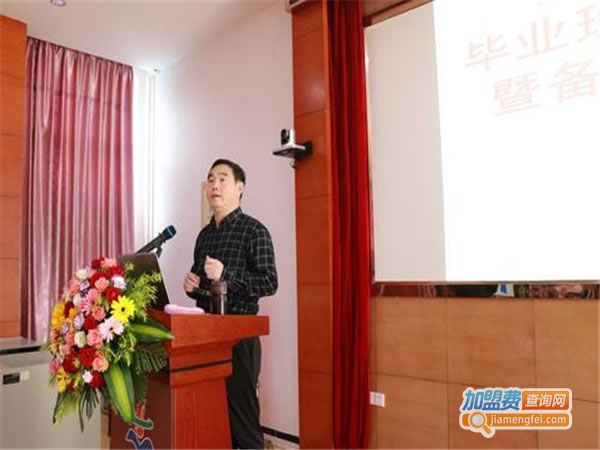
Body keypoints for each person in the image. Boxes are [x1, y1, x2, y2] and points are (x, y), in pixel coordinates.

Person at [183, 158, 278, 449]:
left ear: (240, 188)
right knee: (211, 415)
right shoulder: (204, 235)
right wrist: (193, 287)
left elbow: (269, 282)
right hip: (205, 336)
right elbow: (204, 287)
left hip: (239, 338)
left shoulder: (254, 231)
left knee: (242, 421)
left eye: (223, 179)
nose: (214, 185)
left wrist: (227, 274)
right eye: (211, 179)